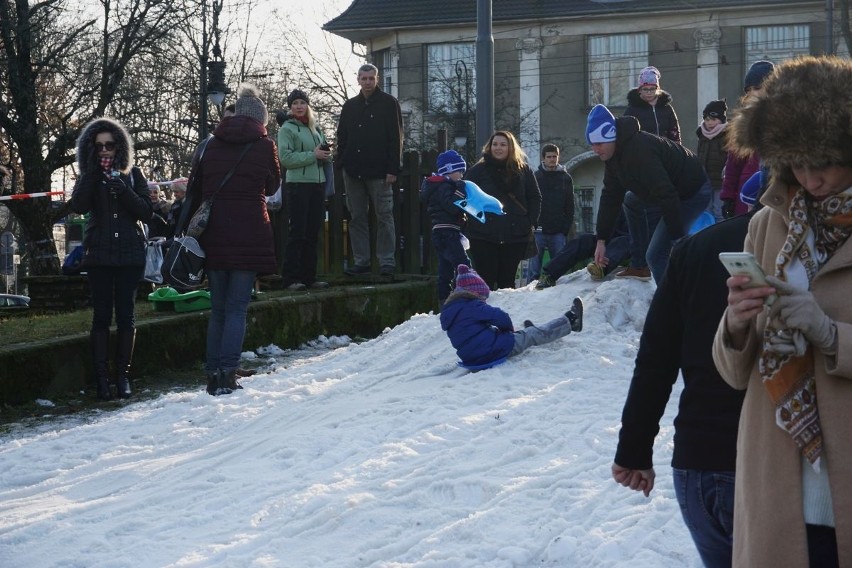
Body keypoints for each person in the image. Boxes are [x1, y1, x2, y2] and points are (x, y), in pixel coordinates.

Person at [712, 55, 852, 567]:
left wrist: (830, 333)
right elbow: (732, 373)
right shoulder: (766, 224)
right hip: (779, 489)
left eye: (825, 162)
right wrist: (737, 321)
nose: (810, 180)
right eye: (797, 163)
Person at [612, 210, 752, 567]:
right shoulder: (816, 247)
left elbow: (655, 360)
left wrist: (633, 450)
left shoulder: (696, 248)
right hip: (768, 468)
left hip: (698, 464)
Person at [186, 83, 280, 396]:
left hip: (215, 233)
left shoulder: (210, 145)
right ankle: (228, 372)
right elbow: (271, 185)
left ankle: (212, 372)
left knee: (219, 308)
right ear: (261, 121)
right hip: (249, 231)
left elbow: (197, 189)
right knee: (238, 308)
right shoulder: (265, 145)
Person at [69, 117, 154, 400]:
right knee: (101, 317)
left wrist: (124, 190)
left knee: (127, 316)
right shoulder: (88, 176)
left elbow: (145, 211)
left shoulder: (133, 174)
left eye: (110, 144)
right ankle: (102, 379)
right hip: (100, 256)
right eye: (99, 146)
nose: (105, 150)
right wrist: (92, 174)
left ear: (120, 146)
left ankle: (123, 377)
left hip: (129, 255)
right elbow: (79, 206)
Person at [587, 104, 711, 284]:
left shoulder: (640, 153)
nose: (595, 150)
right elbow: (610, 198)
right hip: (667, 191)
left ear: (612, 136)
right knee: (630, 200)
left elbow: (666, 194)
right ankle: (639, 265)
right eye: (592, 144)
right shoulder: (614, 157)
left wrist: (677, 239)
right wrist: (601, 240)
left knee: (655, 255)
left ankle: (673, 301)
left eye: (599, 143)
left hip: (692, 191)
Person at [440, 264, 583, 368]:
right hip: (492, 351)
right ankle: (571, 321)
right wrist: (508, 330)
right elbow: (501, 317)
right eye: (483, 298)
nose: (484, 301)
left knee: (525, 334)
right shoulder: (472, 306)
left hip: (472, 357)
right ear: (474, 293)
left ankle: (526, 333)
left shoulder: (453, 309)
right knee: (531, 334)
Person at [336, 63, 403, 277]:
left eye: (371, 78)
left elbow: (396, 138)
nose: (367, 82)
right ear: (358, 80)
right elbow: (342, 136)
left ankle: (386, 261)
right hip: (353, 169)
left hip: (380, 171)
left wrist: (392, 168)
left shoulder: (389, 103)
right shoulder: (350, 106)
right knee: (357, 217)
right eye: (363, 78)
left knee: (384, 216)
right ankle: (361, 261)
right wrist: (343, 161)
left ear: (377, 79)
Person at [464, 131, 542, 290]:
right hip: (483, 235)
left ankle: (505, 314)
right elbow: (466, 196)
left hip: (515, 235)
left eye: (502, 144)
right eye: (495, 144)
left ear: (511, 147)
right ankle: (484, 313)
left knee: (507, 282)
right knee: (485, 280)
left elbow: (535, 197)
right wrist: (474, 221)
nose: (498, 148)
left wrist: (530, 222)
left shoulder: (524, 170)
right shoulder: (478, 171)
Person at [277, 88, 332, 291]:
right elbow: (286, 159)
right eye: (295, 103)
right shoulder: (286, 130)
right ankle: (291, 278)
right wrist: (313, 155)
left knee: (312, 233)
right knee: (297, 232)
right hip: (298, 185)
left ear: (307, 105)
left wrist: (326, 153)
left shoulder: (314, 128)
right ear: (290, 107)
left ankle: (310, 277)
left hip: (317, 184)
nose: (299, 106)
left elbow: (321, 153)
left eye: (302, 102)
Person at [719, 60, 774, 219]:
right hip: (745, 195)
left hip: (773, 192)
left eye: (757, 88)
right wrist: (727, 196)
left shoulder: (783, 116)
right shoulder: (744, 121)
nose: (751, 93)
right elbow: (733, 163)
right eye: (748, 90)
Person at [420, 149, 471, 304]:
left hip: (441, 231)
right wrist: (461, 192)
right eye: (460, 171)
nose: (462, 176)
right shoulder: (444, 186)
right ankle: (466, 292)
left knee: (445, 268)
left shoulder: (437, 186)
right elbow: (452, 207)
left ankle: (444, 299)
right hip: (447, 232)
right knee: (463, 264)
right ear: (449, 170)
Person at [536, 210, 634, 289]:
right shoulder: (616, 198)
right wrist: (600, 239)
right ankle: (549, 274)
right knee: (582, 240)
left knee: (622, 242)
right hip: (608, 240)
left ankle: (601, 267)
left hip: (631, 245)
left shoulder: (641, 197)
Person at [527, 144, 574, 282]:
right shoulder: (536, 176)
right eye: (549, 157)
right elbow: (530, 201)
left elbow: (570, 205)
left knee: (560, 269)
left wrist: (565, 228)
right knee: (534, 271)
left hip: (558, 231)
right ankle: (529, 297)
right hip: (539, 230)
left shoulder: (565, 178)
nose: (552, 159)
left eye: (555, 156)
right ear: (544, 158)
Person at [624, 65, 681, 144]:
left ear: (657, 89)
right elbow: (626, 133)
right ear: (639, 90)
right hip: (643, 153)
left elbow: (674, 132)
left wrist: (677, 152)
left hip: (665, 152)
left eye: (652, 89)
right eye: (645, 89)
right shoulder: (632, 110)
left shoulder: (667, 108)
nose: (649, 92)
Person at [696, 99, 729, 222]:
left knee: (719, 211)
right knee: (706, 211)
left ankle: (719, 236)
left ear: (721, 119)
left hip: (720, 181)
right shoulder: (702, 135)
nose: (710, 123)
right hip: (705, 179)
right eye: (707, 119)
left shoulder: (727, 135)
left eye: (714, 119)